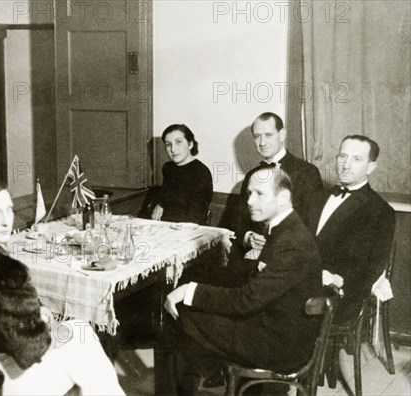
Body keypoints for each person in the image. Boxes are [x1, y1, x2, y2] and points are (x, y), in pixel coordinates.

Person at [0, 177, 125, 395]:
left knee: (79, 334)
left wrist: (36, 313)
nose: (6, 221)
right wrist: (47, 328)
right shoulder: (4, 268)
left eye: (8, 209)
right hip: (3, 377)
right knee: (84, 343)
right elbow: (31, 348)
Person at [164, 168, 323, 395]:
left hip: (280, 344)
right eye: (249, 193)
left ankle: (189, 385)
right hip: (275, 327)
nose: (250, 201)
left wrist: (190, 290)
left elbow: (245, 300)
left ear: (283, 198)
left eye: (259, 194)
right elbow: (258, 275)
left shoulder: (293, 242)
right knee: (196, 306)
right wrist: (202, 282)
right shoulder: (286, 229)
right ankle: (209, 374)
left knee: (181, 311)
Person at [306, 135, 395, 323]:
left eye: (356, 159)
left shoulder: (380, 211)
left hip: (338, 297)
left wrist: (338, 280)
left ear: (370, 167)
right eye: (342, 157)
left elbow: (370, 270)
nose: (345, 165)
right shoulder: (315, 198)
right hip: (301, 282)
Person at [236, 112, 323, 255]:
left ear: (282, 135)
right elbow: (241, 221)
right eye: (257, 136)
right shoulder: (252, 176)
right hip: (253, 256)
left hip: (290, 256)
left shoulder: (307, 172)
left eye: (268, 135)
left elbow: (312, 225)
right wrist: (249, 237)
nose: (262, 143)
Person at [151, 124, 213, 225]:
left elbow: (195, 216)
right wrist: (160, 204)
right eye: (168, 144)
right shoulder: (168, 168)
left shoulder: (201, 172)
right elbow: (169, 195)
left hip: (186, 230)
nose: (173, 149)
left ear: (190, 144)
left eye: (178, 142)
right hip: (164, 225)